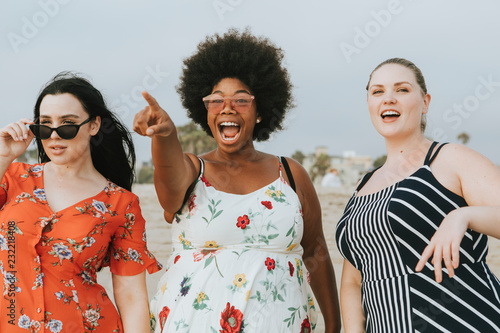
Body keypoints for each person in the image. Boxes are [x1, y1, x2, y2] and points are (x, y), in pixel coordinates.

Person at [133, 29, 341, 332]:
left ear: (260, 112)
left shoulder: (291, 174)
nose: (227, 107)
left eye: (241, 100)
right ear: (205, 112)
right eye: (216, 100)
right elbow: (168, 191)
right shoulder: (193, 169)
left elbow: (316, 254)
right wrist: (166, 136)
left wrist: (334, 328)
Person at [336, 58, 500, 332]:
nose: (388, 98)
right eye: (377, 92)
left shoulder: (449, 158)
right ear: (369, 105)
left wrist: (463, 216)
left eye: (401, 90)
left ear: (425, 102)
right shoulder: (362, 187)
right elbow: (353, 282)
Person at [0, 72, 162, 332]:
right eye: (44, 125)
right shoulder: (12, 177)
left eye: (67, 124)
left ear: (94, 125)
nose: (54, 135)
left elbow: (131, 297)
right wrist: (2, 156)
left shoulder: (121, 204)